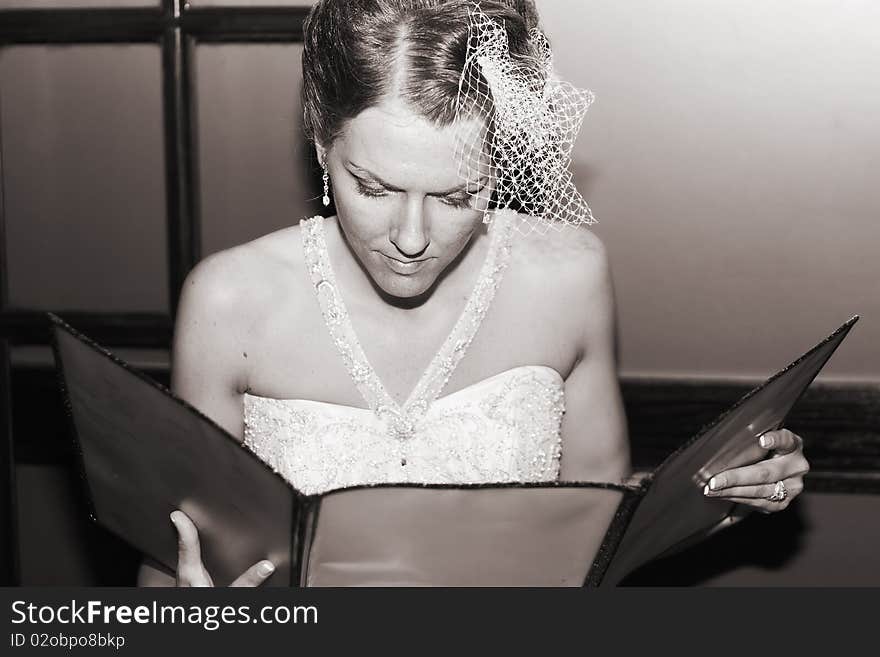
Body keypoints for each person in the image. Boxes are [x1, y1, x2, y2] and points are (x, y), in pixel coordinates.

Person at [138, 0, 810, 587]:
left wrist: (722, 493)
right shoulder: (229, 303)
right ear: (320, 143)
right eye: (373, 187)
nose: (410, 236)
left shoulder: (568, 277)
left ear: (502, 161)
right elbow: (166, 566)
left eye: (459, 195)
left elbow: (602, 536)